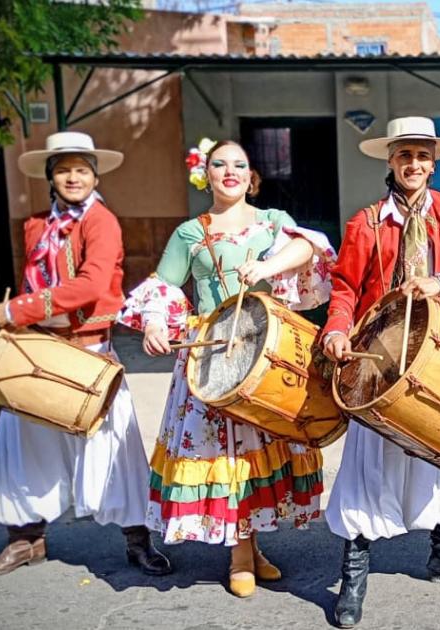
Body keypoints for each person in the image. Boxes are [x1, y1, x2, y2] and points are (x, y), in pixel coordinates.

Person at [119, 138, 335, 598]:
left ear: (251, 174)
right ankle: (240, 554)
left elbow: (308, 248)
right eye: (220, 164)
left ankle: (251, 549)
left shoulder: (272, 222)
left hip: (264, 354)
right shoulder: (189, 233)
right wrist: (155, 321)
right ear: (206, 174)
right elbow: (162, 285)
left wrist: (265, 267)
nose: (230, 171)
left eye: (239, 164)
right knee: (226, 456)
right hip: (211, 355)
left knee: (259, 450)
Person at [320, 117, 440, 628]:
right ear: (389, 162)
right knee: (369, 463)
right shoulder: (366, 222)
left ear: (433, 164)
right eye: (404, 155)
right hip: (382, 352)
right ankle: (353, 576)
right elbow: (346, 286)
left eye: (422, 156)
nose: (413, 164)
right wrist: (336, 328)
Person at [0, 131, 171, 578]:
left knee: (111, 449)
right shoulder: (35, 226)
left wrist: (16, 310)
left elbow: (90, 284)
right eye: (63, 170)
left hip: (88, 351)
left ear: (94, 175)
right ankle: (25, 540)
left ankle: (138, 541)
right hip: (40, 350)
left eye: (81, 169)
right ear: (50, 177)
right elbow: (35, 279)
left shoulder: (100, 221)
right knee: (20, 442)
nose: (73, 177)